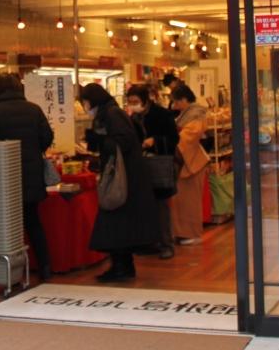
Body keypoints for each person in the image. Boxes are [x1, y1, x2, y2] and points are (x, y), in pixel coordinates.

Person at [78, 83, 159, 281]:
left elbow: (123, 142)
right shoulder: (110, 112)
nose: (85, 107)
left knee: (116, 222)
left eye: (86, 102)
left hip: (124, 177)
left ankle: (121, 267)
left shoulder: (112, 114)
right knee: (120, 224)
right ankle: (123, 265)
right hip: (126, 175)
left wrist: (98, 140)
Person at [0, 72, 55, 281]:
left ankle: (11, 273)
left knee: (8, 225)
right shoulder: (33, 109)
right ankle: (45, 267)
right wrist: (35, 150)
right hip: (31, 176)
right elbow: (47, 137)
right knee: (33, 222)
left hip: (4, 177)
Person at [126, 83, 179, 259]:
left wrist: (155, 140)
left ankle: (166, 244)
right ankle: (150, 242)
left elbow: (174, 139)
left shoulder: (162, 114)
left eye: (135, 101)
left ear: (145, 99)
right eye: (130, 101)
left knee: (161, 206)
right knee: (145, 205)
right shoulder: (133, 118)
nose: (133, 104)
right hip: (141, 166)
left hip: (159, 165)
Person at [169, 84, 211, 245]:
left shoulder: (196, 114)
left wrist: (172, 142)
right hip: (186, 161)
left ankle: (191, 233)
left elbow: (189, 138)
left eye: (176, 101)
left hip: (192, 162)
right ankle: (181, 232)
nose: (174, 105)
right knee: (180, 201)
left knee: (190, 202)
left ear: (184, 99)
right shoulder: (187, 114)